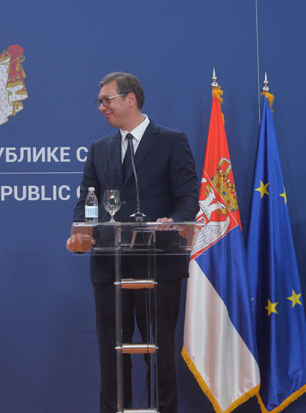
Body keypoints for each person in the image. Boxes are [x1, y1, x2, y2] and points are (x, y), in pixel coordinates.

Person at [66, 72, 198, 413]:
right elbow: (86, 201)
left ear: (130, 99)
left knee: (161, 353)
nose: (101, 107)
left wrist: (174, 221)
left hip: (159, 265)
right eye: (99, 102)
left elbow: (187, 198)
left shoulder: (172, 141)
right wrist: (81, 232)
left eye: (106, 100)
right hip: (110, 266)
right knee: (111, 355)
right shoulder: (100, 149)